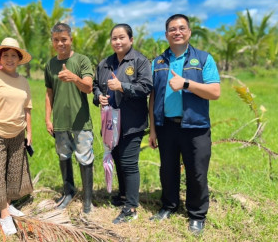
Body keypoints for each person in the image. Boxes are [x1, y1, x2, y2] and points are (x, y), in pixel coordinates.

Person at [148, 14, 220, 235]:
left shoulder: (204, 59)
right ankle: (169, 205)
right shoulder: (158, 62)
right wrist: (152, 129)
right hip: (166, 126)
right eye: (172, 29)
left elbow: (215, 92)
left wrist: (186, 83)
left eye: (181, 28)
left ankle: (197, 215)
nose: (177, 32)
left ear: (189, 32)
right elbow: (151, 97)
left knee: (197, 172)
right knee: (167, 170)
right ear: (166, 34)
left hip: (195, 126)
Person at [93, 24, 152, 224]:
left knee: (129, 163)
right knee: (117, 159)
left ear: (131, 39)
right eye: (114, 38)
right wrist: (99, 96)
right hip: (110, 123)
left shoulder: (140, 61)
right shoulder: (105, 64)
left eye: (122, 38)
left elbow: (146, 87)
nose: (117, 42)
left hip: (131, 123)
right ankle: (123, 195)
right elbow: (95, 86)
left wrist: (122, 87)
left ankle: (131, 208)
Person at [0, 37, 33, 236]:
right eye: (6, 55)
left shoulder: (24, 82)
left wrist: (30, 133)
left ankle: (7, 205)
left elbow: (27, 109)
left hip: (18, 133)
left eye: (13, 56)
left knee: (13, 172)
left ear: (19, 59)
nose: (10, 59)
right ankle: (4, 215)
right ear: (0, 58)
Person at [44, 22, 94, 214]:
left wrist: (75, 78)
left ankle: (88, 200)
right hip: (60, 122)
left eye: (64, 39)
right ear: (52, 42)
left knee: (85, 157)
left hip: (80, 121)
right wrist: (48, 119)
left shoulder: (82, 61)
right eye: (56, 40)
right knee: (64, 156)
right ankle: (68, 192)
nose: (60, 43)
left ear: (71, 40)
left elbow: (88, 87)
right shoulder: (50, 64)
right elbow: (49, 94)